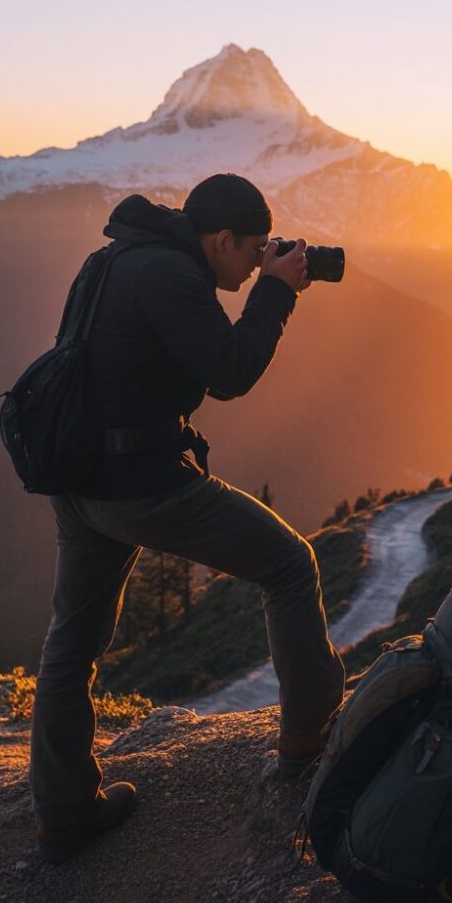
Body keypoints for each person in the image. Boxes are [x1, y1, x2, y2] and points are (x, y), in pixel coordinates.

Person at [30, 173, 345, 863]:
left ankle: (63, 812)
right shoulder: (172, 276)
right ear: (220, 239)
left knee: (73, 640)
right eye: (254, 250)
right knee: (291, 565)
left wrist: (263, 284)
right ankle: (309, 741)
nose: (259, 261)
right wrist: (277, 292)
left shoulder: (117, 255)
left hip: (76, 477)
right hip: (139, 484)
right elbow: (231, 371)